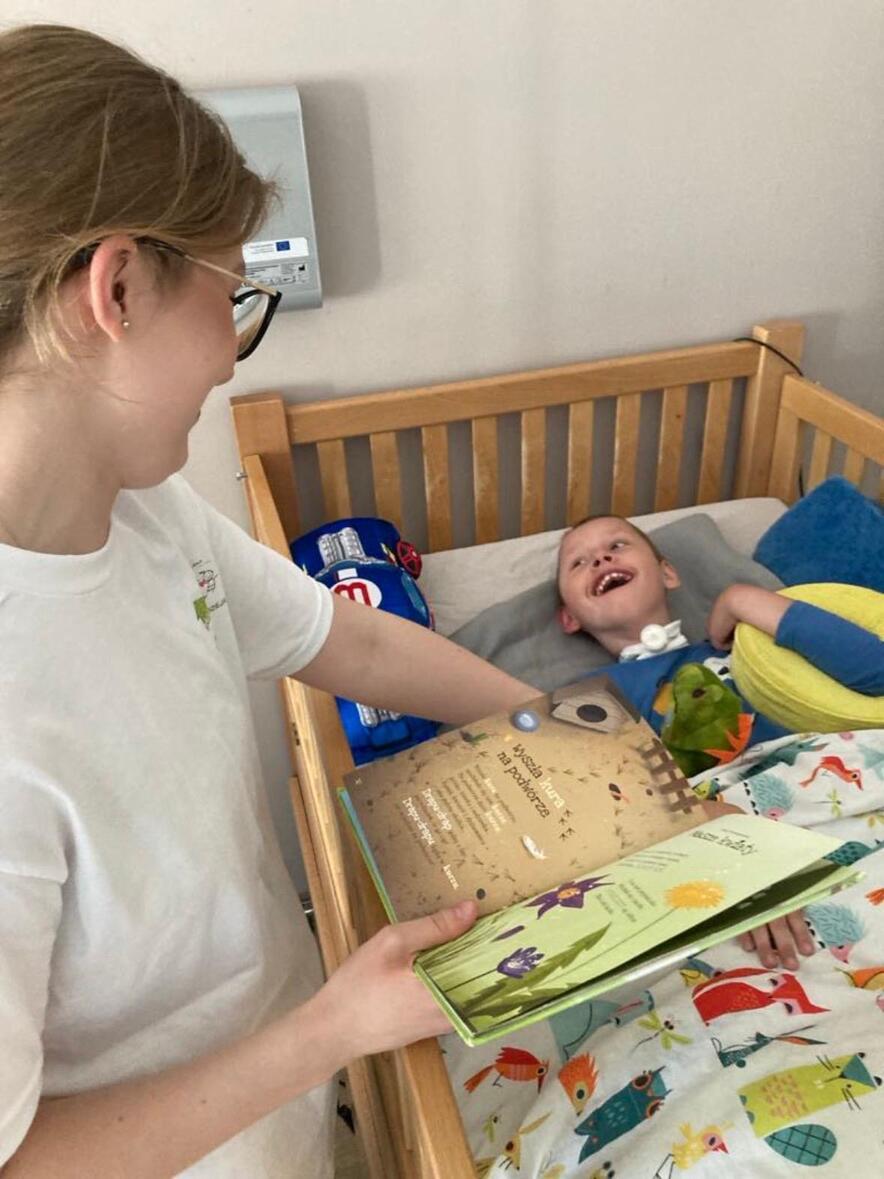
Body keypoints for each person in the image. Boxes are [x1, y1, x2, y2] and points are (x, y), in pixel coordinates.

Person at [0, 25, 539, 1177]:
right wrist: (333, 1030)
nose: (230, 358)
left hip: (277, 1097)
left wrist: (558, 732)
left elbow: (350, 641)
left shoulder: (143, 511)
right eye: (234, 296)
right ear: (117, 288)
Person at [556, 512, 883, 971]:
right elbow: (590, 800)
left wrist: (743, 600)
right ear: (569, 618)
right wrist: (721, 828)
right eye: (578, 562)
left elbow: (877, 673)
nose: (601, 559)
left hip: (840, 782)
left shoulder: (742, 645)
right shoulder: (589, 694)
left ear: (668, 573)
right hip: (723, 823)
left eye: (618, 545)